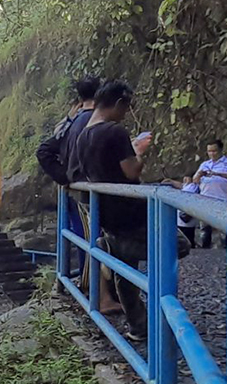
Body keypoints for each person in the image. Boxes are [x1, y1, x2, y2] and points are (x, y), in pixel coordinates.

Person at [70, 81, 191, 342]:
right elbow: (131, 171)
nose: (126, 113)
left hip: (107, 211)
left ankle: (139, 327)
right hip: (129, 210)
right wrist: (139, 151)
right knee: (179, 244)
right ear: (118, 104)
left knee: (125, 271)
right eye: (126, 107)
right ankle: (111, 248)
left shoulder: (82, 137)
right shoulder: (115, 131)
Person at [37, 76, 101, 280]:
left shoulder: (69, 124)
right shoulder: (96, 122)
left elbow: (44, 151)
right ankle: (94, 288)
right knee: (92, 237)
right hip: (89, 191)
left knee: (84, 237)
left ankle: (87, 283)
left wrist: (64, 177)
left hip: (74, 190)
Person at [192, 139, 227, 248]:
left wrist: (218, 174)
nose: (212, 154)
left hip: (222, 198)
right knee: (204, 229)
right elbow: (195, 180)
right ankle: (205, 249)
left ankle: (225, 250)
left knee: (223, 228)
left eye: (214, 151)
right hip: (205, 198)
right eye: (209, 151)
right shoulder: (204, 164)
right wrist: (199, 174)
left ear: (220, 150)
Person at [176, 176, 199, 248]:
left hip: (188, 215)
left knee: (188, 235)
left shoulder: (195, 187)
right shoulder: (187, 186)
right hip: (181, 215)